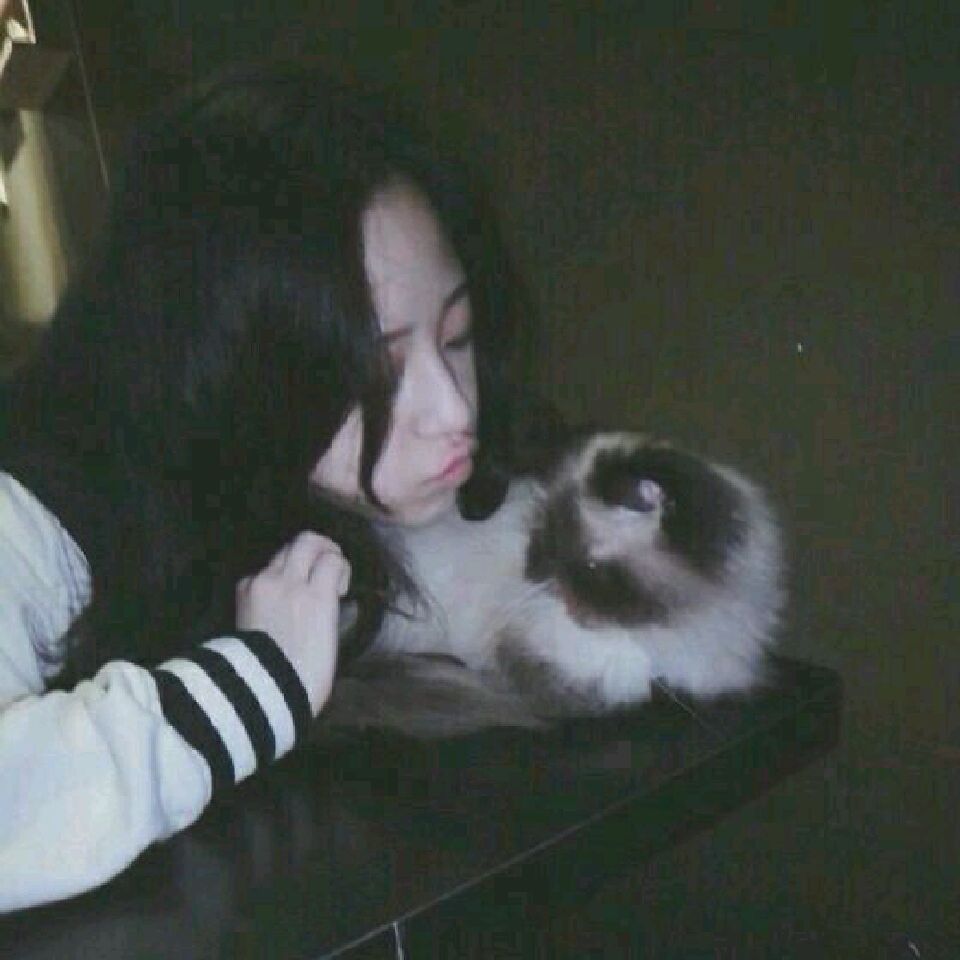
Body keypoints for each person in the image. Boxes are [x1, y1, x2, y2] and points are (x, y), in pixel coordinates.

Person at [0, 66, 529, 912]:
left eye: (457, 334)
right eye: (378, 371)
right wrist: (257, 679)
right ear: (234, 365)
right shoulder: (27, 516)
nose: (454, 410)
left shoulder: (315, 483)